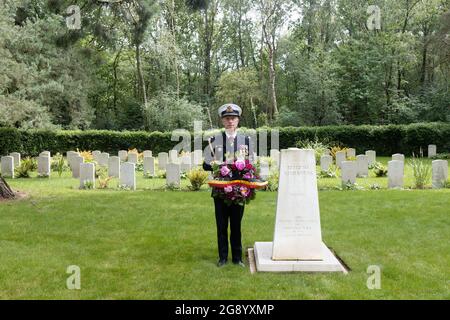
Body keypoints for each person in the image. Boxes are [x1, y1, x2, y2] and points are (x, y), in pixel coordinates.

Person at [203, 104, 253, 268]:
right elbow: (205, 165)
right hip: (220, 190)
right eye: (227, 118)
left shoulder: (246, 140)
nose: (230, 121)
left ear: (238, 120)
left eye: (233, 118)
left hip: (239, 190)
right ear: (222, 121)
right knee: (222, 225)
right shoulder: (213, 141)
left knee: (237, 225)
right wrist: (215, 164)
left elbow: (250, 164)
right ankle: (223, 257)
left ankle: (237, 258)